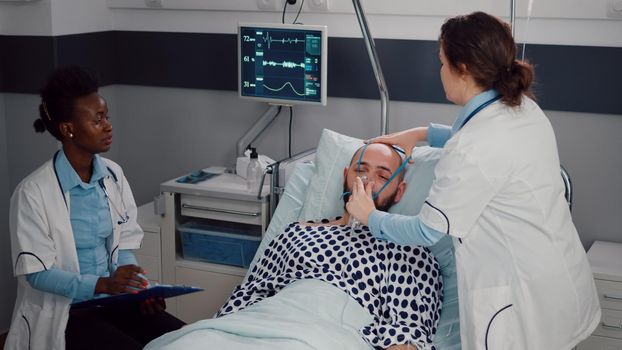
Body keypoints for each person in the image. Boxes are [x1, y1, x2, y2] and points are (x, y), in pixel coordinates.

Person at [346, 11, 600, 349]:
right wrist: (421, 134)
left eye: (442, 62)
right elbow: (482, 142)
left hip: (521, 299)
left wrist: (370, 217)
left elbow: (427, 230)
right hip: (557, 274)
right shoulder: (522, 108)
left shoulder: (470, 150)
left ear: (462, 67)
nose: (440, 72)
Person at [5, 66, 184, 350]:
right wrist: (103, 285)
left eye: (107, 117)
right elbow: (37, 273)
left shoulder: (112, 175)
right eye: (98, 119)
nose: (108, 126)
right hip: (69, 313)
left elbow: (122, 245)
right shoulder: (33, 193)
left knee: (187, 339)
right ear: (68, 129)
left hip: (114, 301)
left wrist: (136, 289)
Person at [217, 143, 443, 350]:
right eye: (360, 171)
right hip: (258, 325)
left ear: (399, 192)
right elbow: (247, 296)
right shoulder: (296, 232)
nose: (367, 182)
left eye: (382, 176)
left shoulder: (408, 252)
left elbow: (409, 335)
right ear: (346, 176)